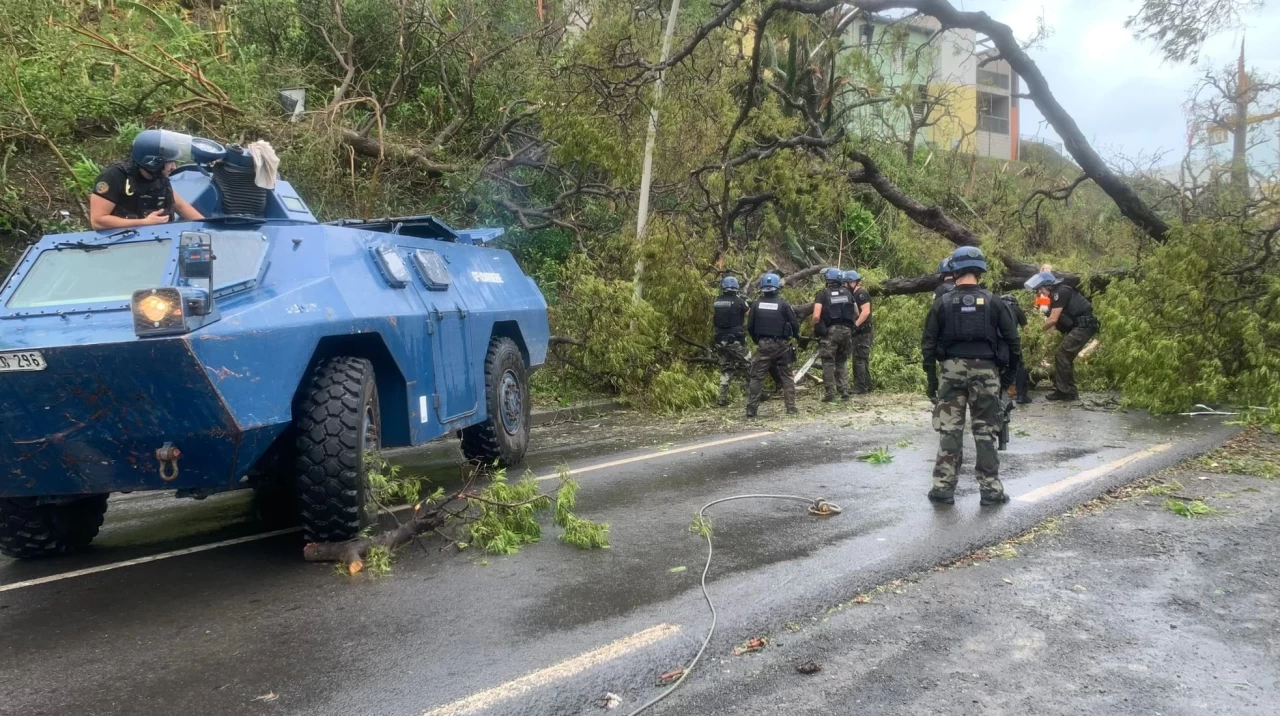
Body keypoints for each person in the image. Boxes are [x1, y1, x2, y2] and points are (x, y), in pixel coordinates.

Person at [922, 246, 1021, 506]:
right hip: (987, 371)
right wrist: (1008, 378)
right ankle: (991, 490)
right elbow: (1013, 342)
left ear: (954, 271)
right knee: (986, 432)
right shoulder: (994, 301)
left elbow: (928, 344)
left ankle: (943, 488)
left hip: (951, 371)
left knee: (950, 431)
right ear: (980, 271)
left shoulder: (942, 302)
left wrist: (932, 380)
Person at [89, 129, 204, 230]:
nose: (174, 167)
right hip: (121, 244)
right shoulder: (114, 176)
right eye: (170, 162)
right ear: (154, 163)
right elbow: (98, 221)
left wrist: (206, 226)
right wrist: (143, 223)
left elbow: (180, 206)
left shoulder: (158, 177)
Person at [1025, 271, 1098, 401]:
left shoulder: (1061, 292)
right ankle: (1068, 390)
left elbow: (1053, 319)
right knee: (1065, 356)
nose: (1040, 293)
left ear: (1048, 286)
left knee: (1062, 354)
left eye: (1040, 289)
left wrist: (1036, 332)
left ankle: (1065, 392)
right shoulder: (1054, 295)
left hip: (1083, 326)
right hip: (1078, 326)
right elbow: (1045, 311)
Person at [746, 273, 800, 418]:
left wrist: (757, 341)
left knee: (757, 377)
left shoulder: (756, 304)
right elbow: (795, 324)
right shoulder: (783, 304)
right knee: (787, 376)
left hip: (763, 345)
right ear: (777, 288)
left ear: (762, 288)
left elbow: (750, 327)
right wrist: (794, 337)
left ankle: (751, 409)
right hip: (782, 345)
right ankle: (791, 407)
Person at [812, 268, 856, 402]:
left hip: (831, 332)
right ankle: (844, 390)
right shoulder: (848, 293)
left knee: (828, 362)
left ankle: (830, 393)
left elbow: (816, 316)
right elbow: (857, 313)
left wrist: (817, 327)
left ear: (827, 280)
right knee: (842, 361)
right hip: (847, 332)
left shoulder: (823, 294)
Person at [712, 277, 751, 407]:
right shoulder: (740, 301)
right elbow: (750, 314)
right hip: (736, 341)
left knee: (726, 368)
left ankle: (721, 398)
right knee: (749, 364)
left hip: (719, 340)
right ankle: (756, 392)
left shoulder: (717, 301)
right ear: (736, 288)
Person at [845, 270, 874, 395]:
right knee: (862, 358)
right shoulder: (853, 295)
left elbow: (865, 311)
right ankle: (868, 383)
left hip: (863, 331)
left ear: (852, 282)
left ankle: (860, 386)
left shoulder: (861, 294)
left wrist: (855, 326)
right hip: (861, 331)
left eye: (846, 283)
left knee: (859, 359)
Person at [999, 294, 1032, 405]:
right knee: (1019, 365)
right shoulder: (1016, 309)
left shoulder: (994, 307)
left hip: (997, 342)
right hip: (1012, 340)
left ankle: (998, 393)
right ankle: (1021, 396)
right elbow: (1026, 330)